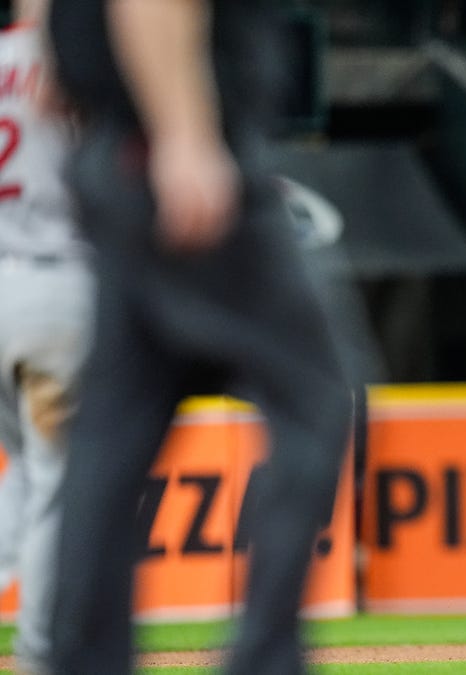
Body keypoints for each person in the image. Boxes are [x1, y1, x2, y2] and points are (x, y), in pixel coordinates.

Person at [46, 1, 352, 673]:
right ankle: (266, 659)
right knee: (318, 399)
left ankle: (82, 656)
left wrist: (60, 48)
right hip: (176, 144)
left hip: (114, 147)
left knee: (115, 428)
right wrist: (185, 133)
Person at [0, 1, 92, 671]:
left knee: (21, 477)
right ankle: (40, 655)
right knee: (58, 481)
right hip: (58, 285)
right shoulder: (78, 63)